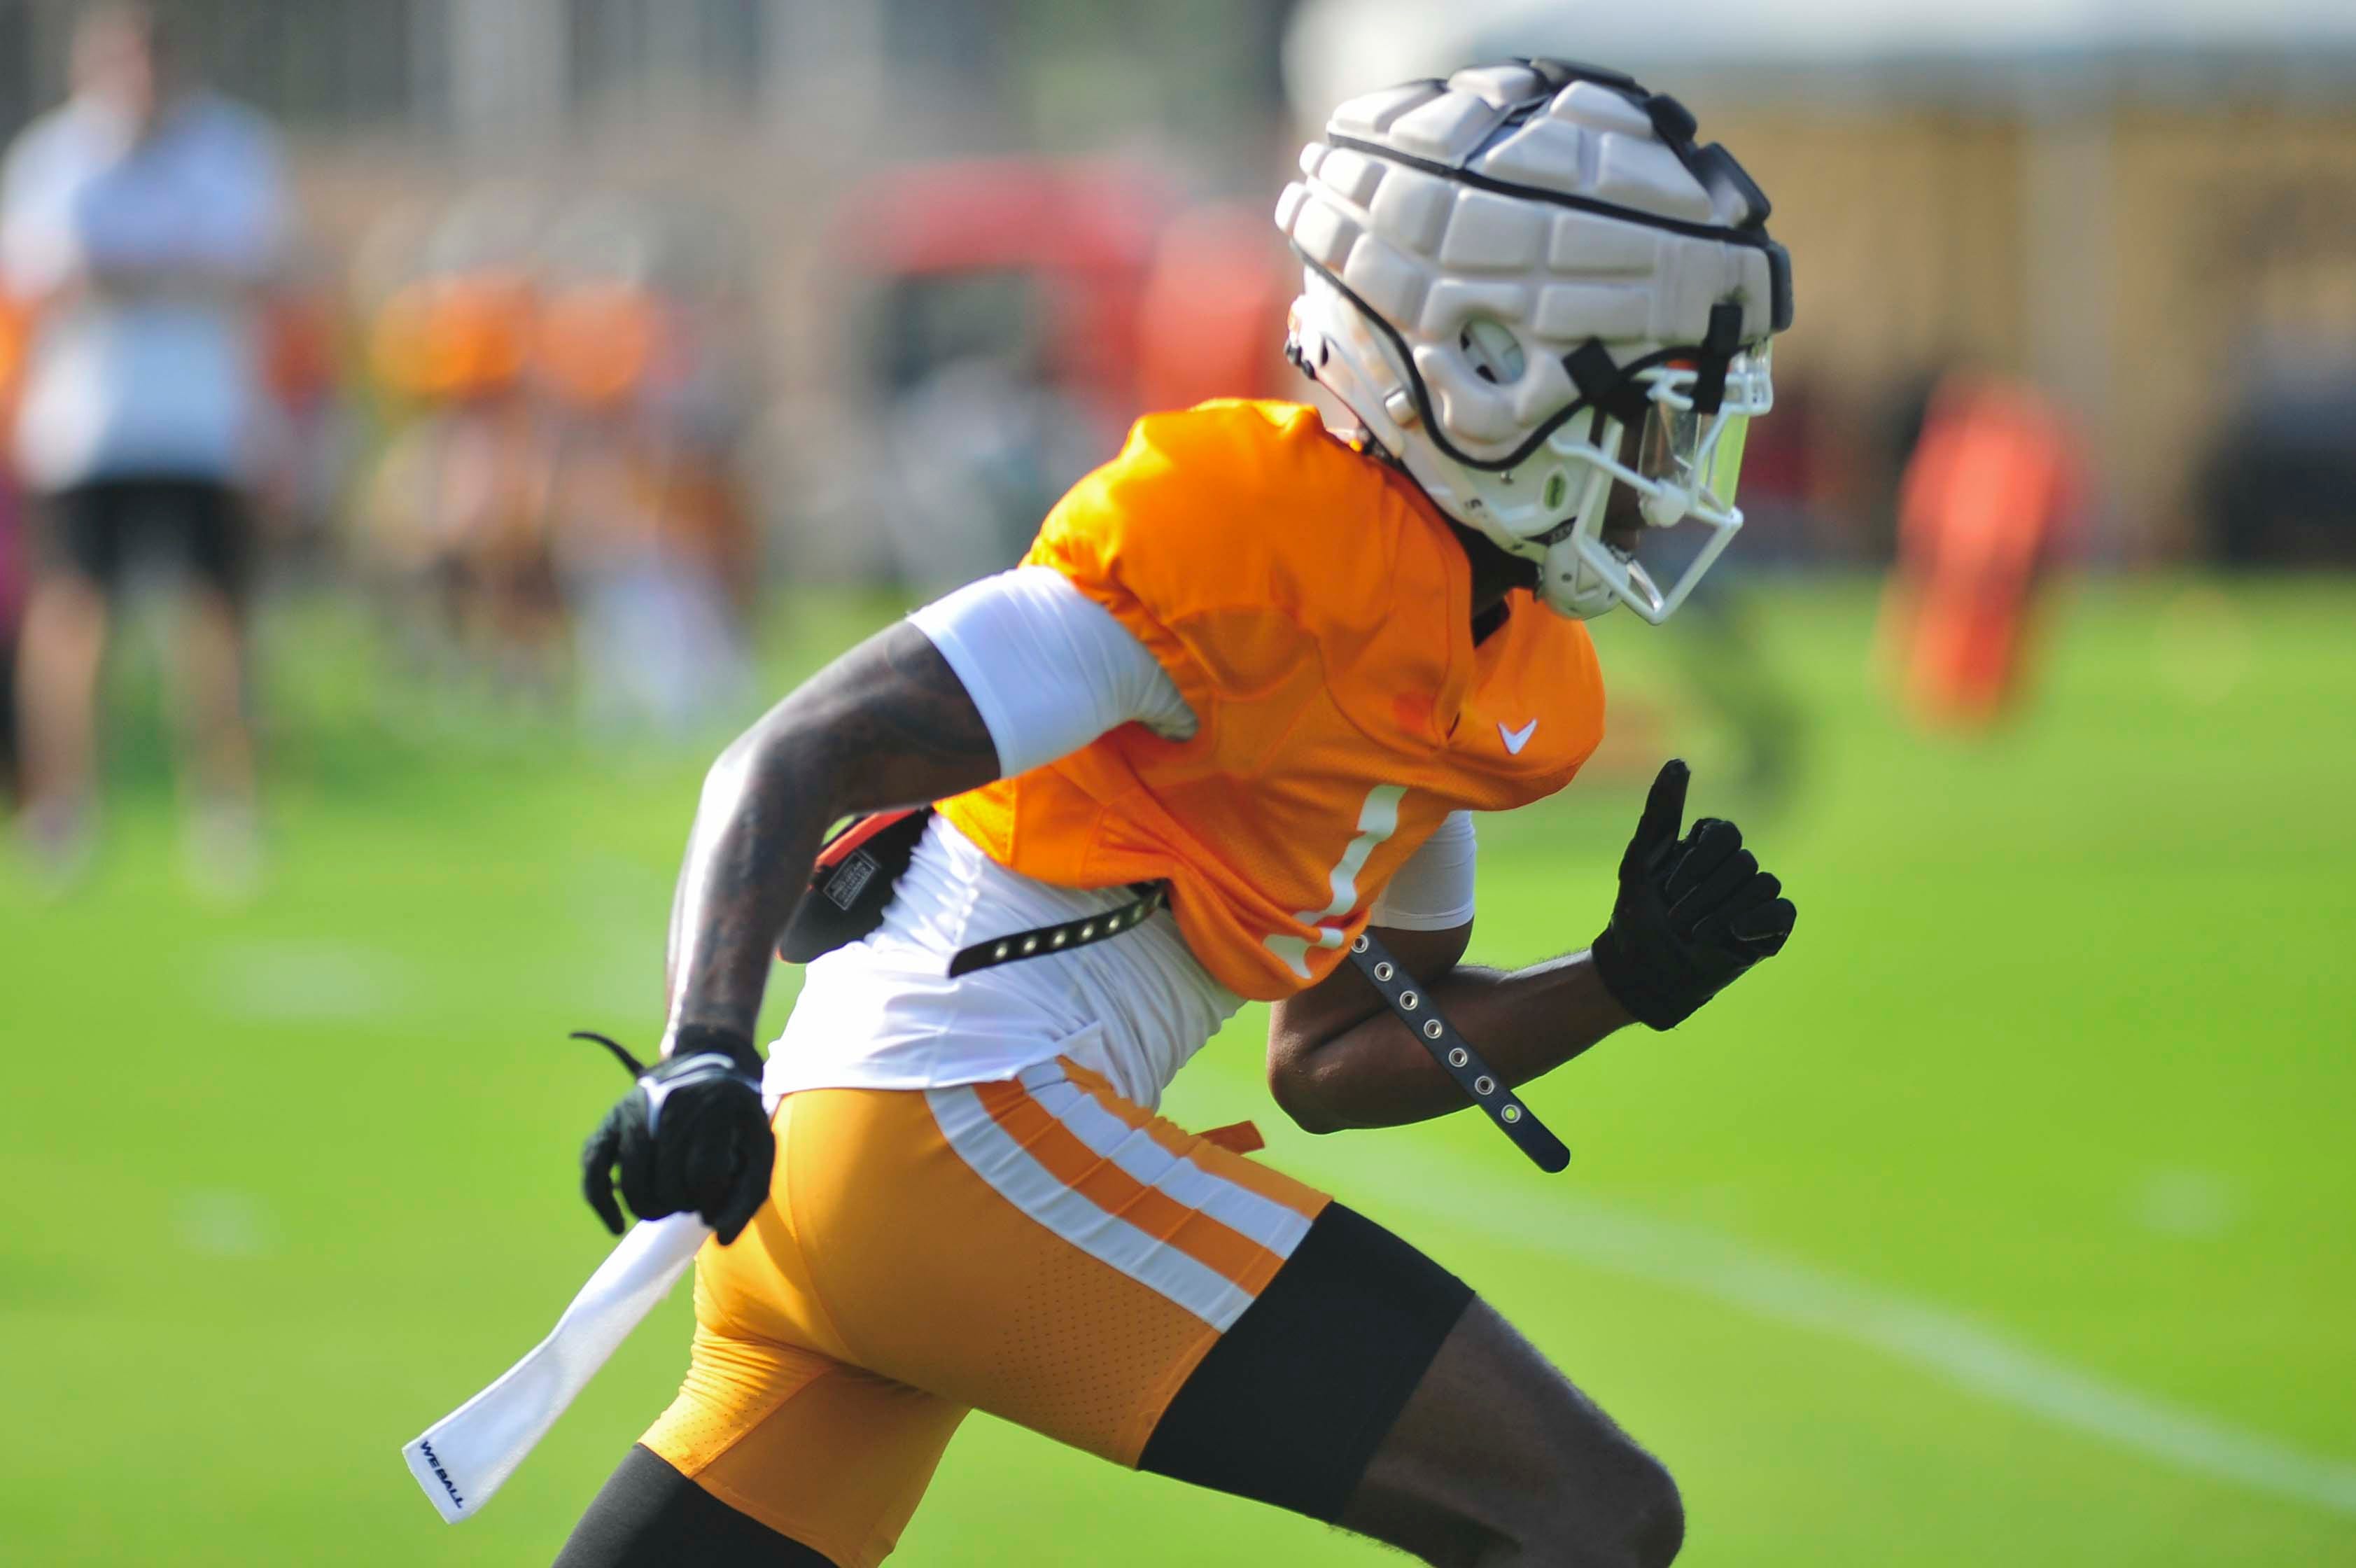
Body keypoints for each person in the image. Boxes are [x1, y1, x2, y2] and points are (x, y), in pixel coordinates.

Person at [559, 61, 1795, 1568]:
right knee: (1587, 1515)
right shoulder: (1243, 532)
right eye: (1646, 408)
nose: (1668, 473)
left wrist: (1616, 986)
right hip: (951, 1130)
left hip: (873, 1167)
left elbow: (1329, 1060)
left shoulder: (1497, 662)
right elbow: (790, 755)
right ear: (1482, 360)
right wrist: (699, 1051)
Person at [1, 4, 287, 890]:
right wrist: (163, 270)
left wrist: (137, 270)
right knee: (75, 621)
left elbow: (255, 270)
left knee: (216, 624)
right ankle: (63, 806)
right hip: (89, 428)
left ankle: (226, 808)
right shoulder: (57, 158)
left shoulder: (231, 149)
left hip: (204, 426)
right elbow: (42, 281)